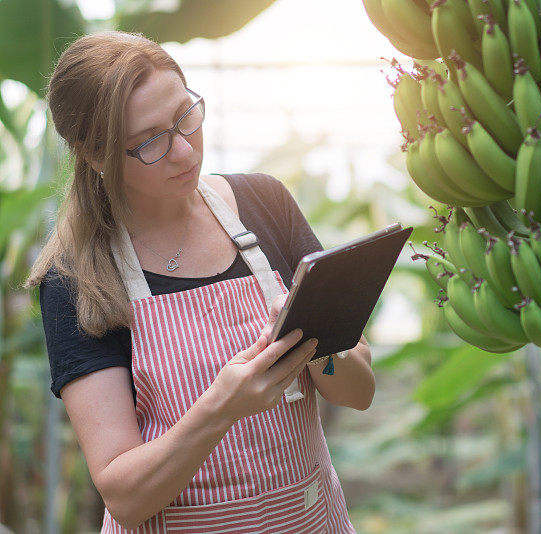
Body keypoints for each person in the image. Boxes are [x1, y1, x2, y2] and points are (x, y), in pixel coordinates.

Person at [24, 30, 374, 533]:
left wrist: (318, 345)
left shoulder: (266, 205)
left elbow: (358, 394)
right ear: (93, 154)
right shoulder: (77, 279)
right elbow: (124, 494)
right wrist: (221, 409)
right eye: (150, 141)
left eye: (186, 116)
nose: (184, 152)